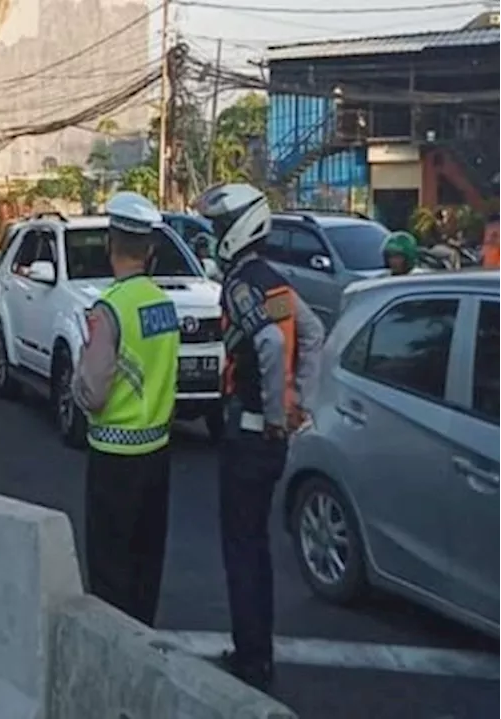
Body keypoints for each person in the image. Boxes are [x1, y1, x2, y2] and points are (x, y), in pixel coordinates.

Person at [194, 183, 325, 691]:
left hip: (248, 435)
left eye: (220, 226)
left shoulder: (243, 285)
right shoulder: (274, 283)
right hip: (269, 442)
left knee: (242, 548)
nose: (215, 236)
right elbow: (310, 335)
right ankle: (257, 649)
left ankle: (252, 660)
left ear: (240, 228)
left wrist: (275, 412)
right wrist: (301, 405)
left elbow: (271, 343)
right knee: (257, 548)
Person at [72, 191, 179, 630]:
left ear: (110, 244)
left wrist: (79, 373)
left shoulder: (110, 309)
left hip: (115, 459)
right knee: (145, 566)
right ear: (150, 249)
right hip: (158, 451)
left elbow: (92, 394)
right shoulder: (164, 304)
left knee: (111, 571)